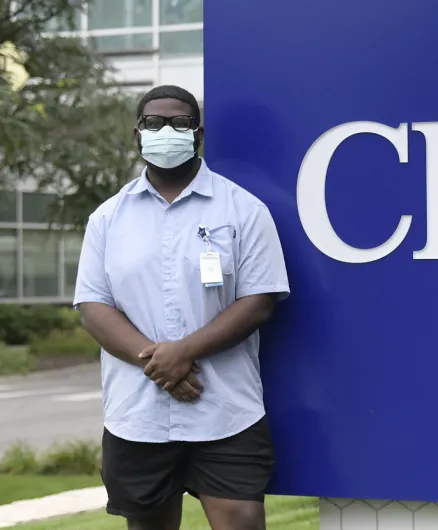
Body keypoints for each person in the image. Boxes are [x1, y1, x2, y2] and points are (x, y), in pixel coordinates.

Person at [73, 84, 291, 530]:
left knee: (243, 522)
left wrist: (183, 352)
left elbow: (259, 301)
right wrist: (157, 362)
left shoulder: (244, 210)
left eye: (179, 122)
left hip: (227, 410)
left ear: (199, 133)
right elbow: (93, 305)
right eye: (154, 123)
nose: (166, 130)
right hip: (138, 414)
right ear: (137, 134)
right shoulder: (107, 219)